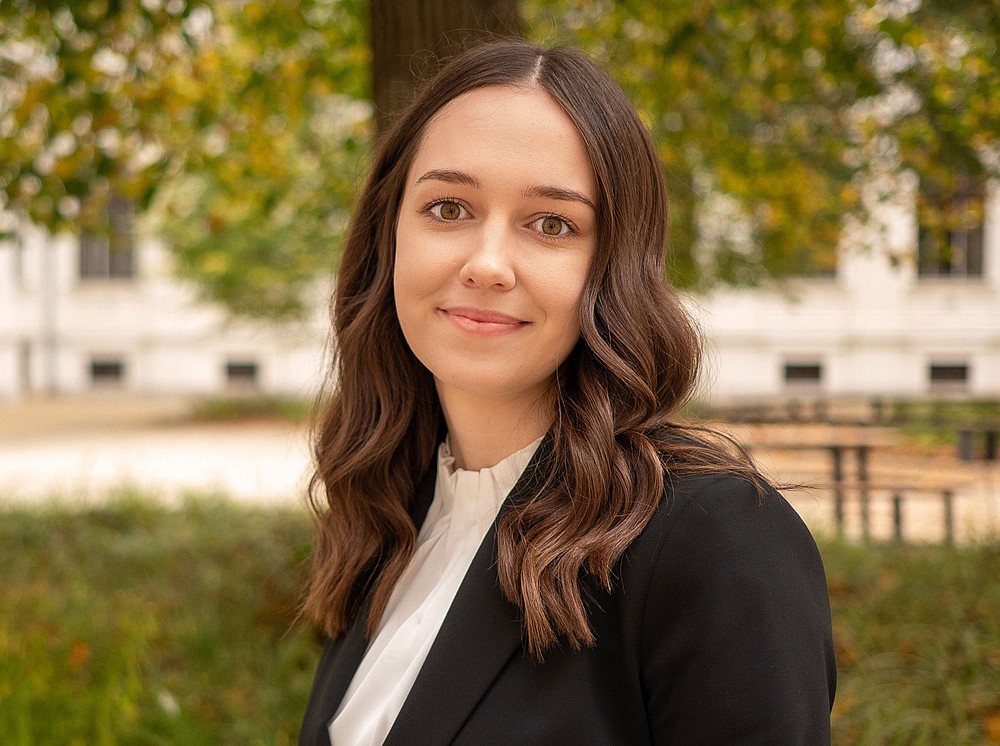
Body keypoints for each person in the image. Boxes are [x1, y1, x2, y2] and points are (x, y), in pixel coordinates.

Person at [299, 39, 836, 746]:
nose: (487, 264)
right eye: (449, 208)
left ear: (612, 266)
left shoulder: (712, 539)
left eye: (551, 224)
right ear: (387, 235)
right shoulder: (390, 516)